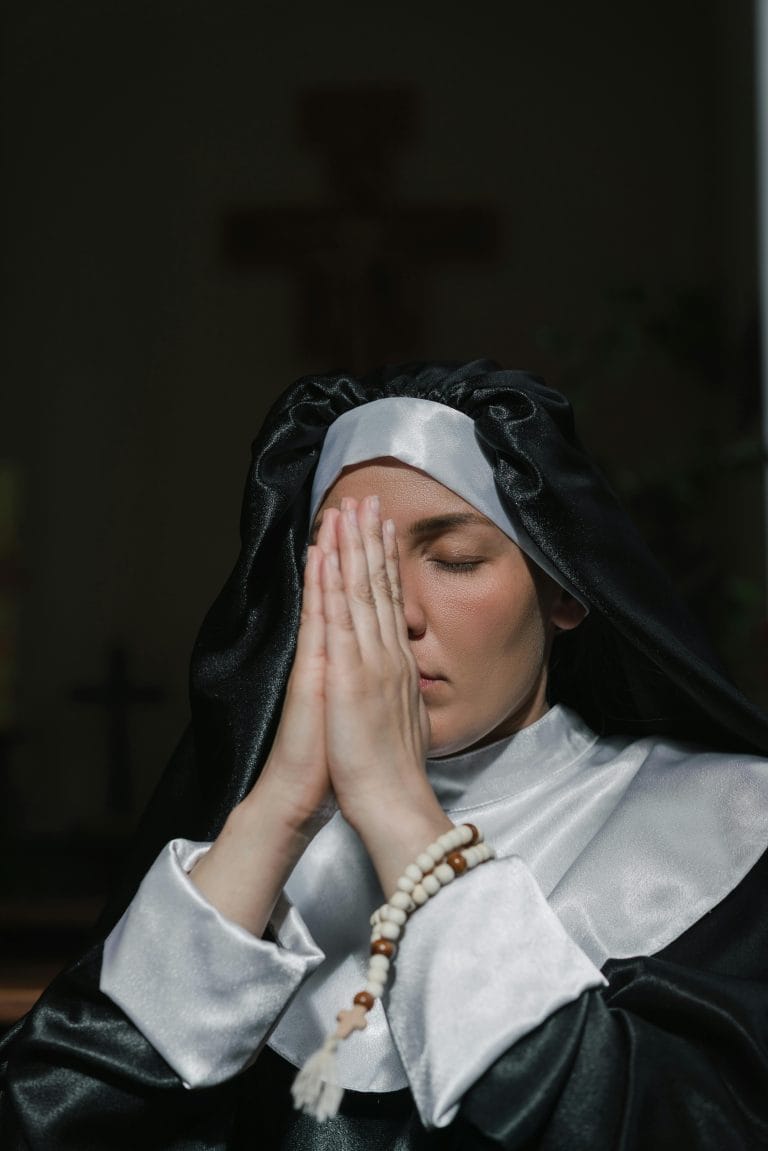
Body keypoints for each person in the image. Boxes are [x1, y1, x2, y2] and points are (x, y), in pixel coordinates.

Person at [2, 359, 768, 1150]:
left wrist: (398, 807)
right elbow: (40, 1120)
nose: (393, 613)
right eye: (347, 567)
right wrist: (280, 808)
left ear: (566, 586)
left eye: (455, 558)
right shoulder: (249, 860)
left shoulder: (733, 826)